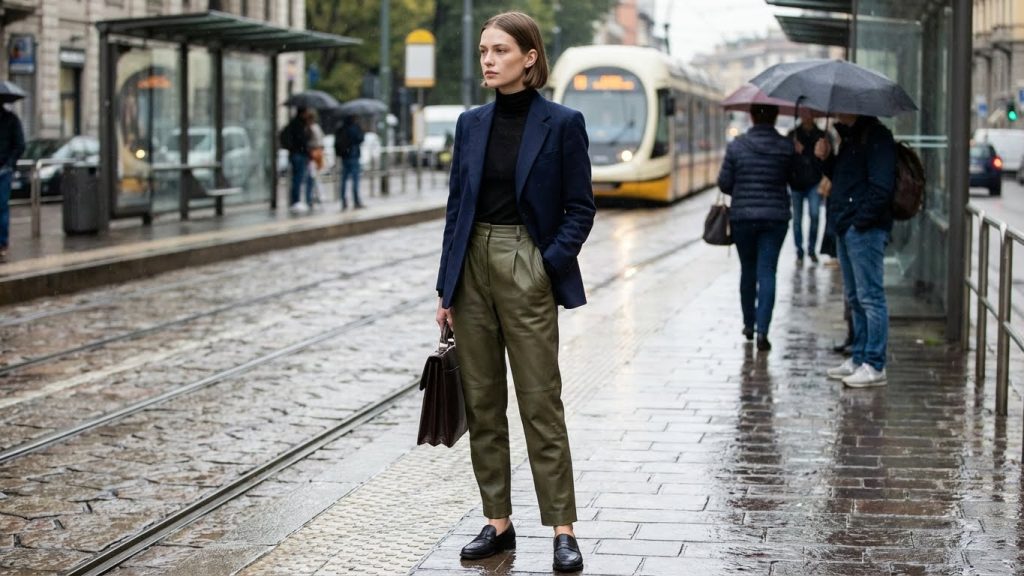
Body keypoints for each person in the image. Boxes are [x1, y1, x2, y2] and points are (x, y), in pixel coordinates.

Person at [434, 11, 595, 573]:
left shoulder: (563, 123)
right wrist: (445, 288)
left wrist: (545, 265)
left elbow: (580, 208)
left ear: (529, 58)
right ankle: (498, 523)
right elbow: (458, 209)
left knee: (539, 402)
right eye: (483, 50)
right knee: (482, 402)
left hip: (526, 262)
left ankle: (563, 529)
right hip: (471, 267)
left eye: (499, 50)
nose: (487, 59)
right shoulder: (470, 123)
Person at [817, 113, 896, 388]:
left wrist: (858, 222)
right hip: (847, 226)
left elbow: (881, 187)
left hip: (864, 230)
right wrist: (826, 158)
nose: (836, 109)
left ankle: (875, 364)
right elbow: (843, 179)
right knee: (854, 297)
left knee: (870, 297)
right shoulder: (849, 138)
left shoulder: (877, 137)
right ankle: (859, 357)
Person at [717, 104, 796, 352]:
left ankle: (748, 325)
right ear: (775, 116)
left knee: (748, 270)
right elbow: (797, 180)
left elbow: (724, 183)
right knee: (768, 271)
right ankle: (763, 331)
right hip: (775, 219)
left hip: (743, 218)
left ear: (751, 116)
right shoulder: (786, 147)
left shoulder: (737, 145)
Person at [788, 108, 826, 265]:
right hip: (796, 183)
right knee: (797, 219)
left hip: (814, 182)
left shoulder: (821, 135)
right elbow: (786, 159)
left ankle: (811, 249)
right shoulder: (793, 135)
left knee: (815, 215)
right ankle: (799, 251)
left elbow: (825, 159)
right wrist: (793, 149)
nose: (807, 116)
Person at [0, 104, 25, 263]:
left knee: (1, 206)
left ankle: (2, 243)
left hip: (4, 171)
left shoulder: (11, 119)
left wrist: (9, 163)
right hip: (5, 168)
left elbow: (20, 145)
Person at [281, 107, 310, 213]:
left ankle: (295, 201)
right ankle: (295, 202)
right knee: (297, 179)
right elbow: (302, 140)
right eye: (306, 112)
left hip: (295, 154)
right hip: (299, 154)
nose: (308, 114)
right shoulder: (299, 125)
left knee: (296, 179)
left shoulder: (295, 123)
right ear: (302, 113)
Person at [335, 115, 365, 210]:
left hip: (345, 157)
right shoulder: (354, 127)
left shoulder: (341, 128)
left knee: (344, 180)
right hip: (353, 155)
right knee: (355, 179)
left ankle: (343, 201)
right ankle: (356, 201)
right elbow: (360, 139)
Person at [306, 112, 325, 210]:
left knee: (314, 176)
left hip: (314, 154)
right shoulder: (314, 128)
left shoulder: (312, 128)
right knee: (314, 176)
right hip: (315, 154)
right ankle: (316, 196)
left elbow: (319, 140)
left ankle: (315, 196)